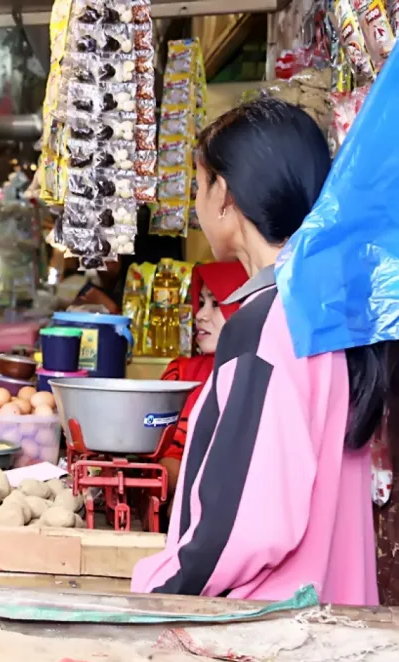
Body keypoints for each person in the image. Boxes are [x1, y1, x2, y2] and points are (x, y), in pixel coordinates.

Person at [131, 99, 379, 605]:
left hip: (265, 632)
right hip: (332, 623)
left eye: (199, 185)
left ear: (225, 194)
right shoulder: (328, 313)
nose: (198, 203)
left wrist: (154, 590)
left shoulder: (266, 325)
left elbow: (246, 523)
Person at [158, 261, 248, 494]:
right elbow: (162, 455)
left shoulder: (261, 378)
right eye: (201, 303)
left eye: (216, 304)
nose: (200, 315)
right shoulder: (180, 374)